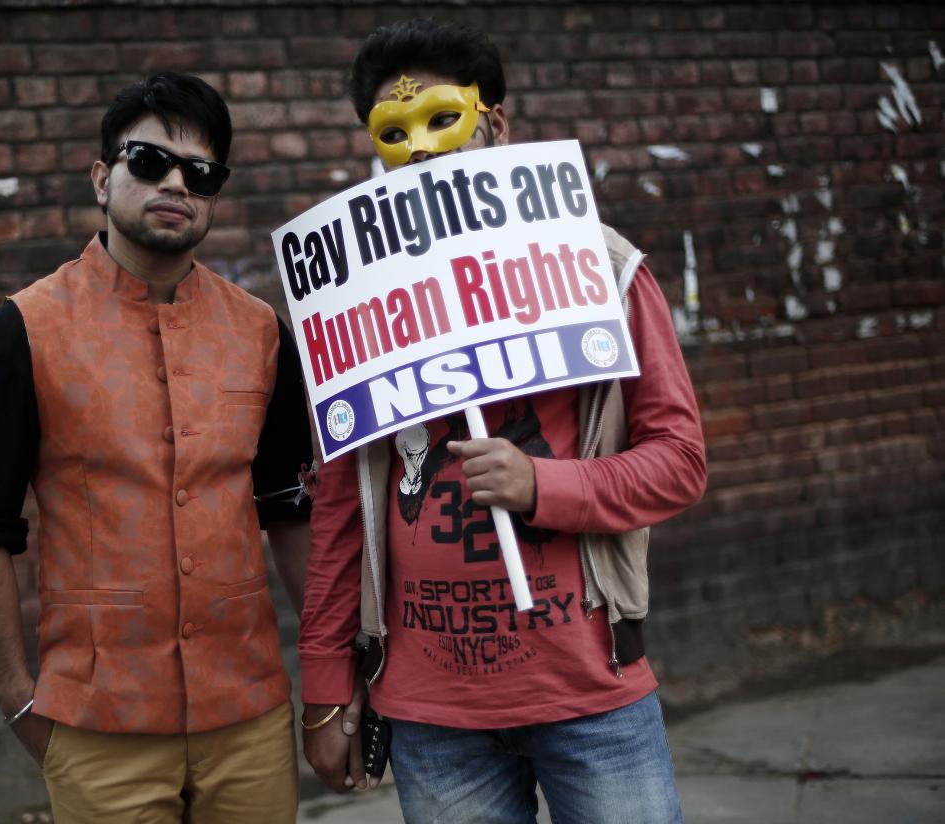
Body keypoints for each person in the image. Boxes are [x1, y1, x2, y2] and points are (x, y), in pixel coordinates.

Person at [298, 19, 707, 824]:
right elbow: (342, 509)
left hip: (591, 692)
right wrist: (322, 688)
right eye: (393, 132)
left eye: (441, 119)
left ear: (497, 123)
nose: (421, 150)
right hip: (430, 713)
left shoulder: (604, 267)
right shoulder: (360, 305)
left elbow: (680, 460)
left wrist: (542, 485)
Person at [0, 71, 313, 823]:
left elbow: (289, 510)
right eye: (150, 162)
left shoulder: (261, 334)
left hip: (249, 718)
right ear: (102, 178)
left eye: (201, 173)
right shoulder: (21, 334)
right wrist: (19, 699)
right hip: (97, 724)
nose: (176, 182)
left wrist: (331, 683)